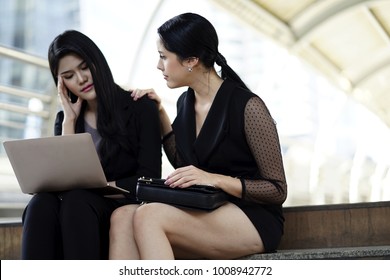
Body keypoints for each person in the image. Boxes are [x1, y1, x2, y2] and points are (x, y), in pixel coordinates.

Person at [109, 13, 287, 260]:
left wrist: (215, 179)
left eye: (163, 57)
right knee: (122, 217)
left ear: (191, 60)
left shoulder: (248, 106)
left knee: (148, 215)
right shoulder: (185, 101)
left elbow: (277, 190)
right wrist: (159, 112)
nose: (159, 66)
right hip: (208, 207)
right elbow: (184, 163)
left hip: (251, 217)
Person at [21, 30, 162, 260]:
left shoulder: (140, 107)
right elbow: (62, 181)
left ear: (98, 61)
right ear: (61, 83)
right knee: (40, 204)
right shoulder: (66, 119)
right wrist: (69, 121)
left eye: (84, 67)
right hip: (75, 213)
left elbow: (150, 177)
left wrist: (104, 185)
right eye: (69, 75)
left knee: (77, 200)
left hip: (114, 210)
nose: (81, 79)